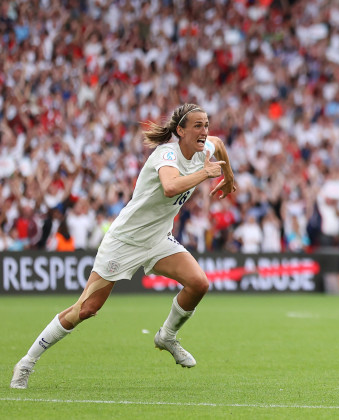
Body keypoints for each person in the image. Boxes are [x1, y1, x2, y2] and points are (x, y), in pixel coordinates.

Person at [10, 103, 236, 389]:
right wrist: (206, 174)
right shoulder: (166, 154)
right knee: (87, 308)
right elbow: (170, 187)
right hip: (125, 240)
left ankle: (166, 336)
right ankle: (27, 362)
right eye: (197, 126)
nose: (204, 131)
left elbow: (220, 145)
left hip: (157, 239)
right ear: (180, 131)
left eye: (206, 125)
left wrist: (228, 178)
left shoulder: (206, 148)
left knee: (199, 283)